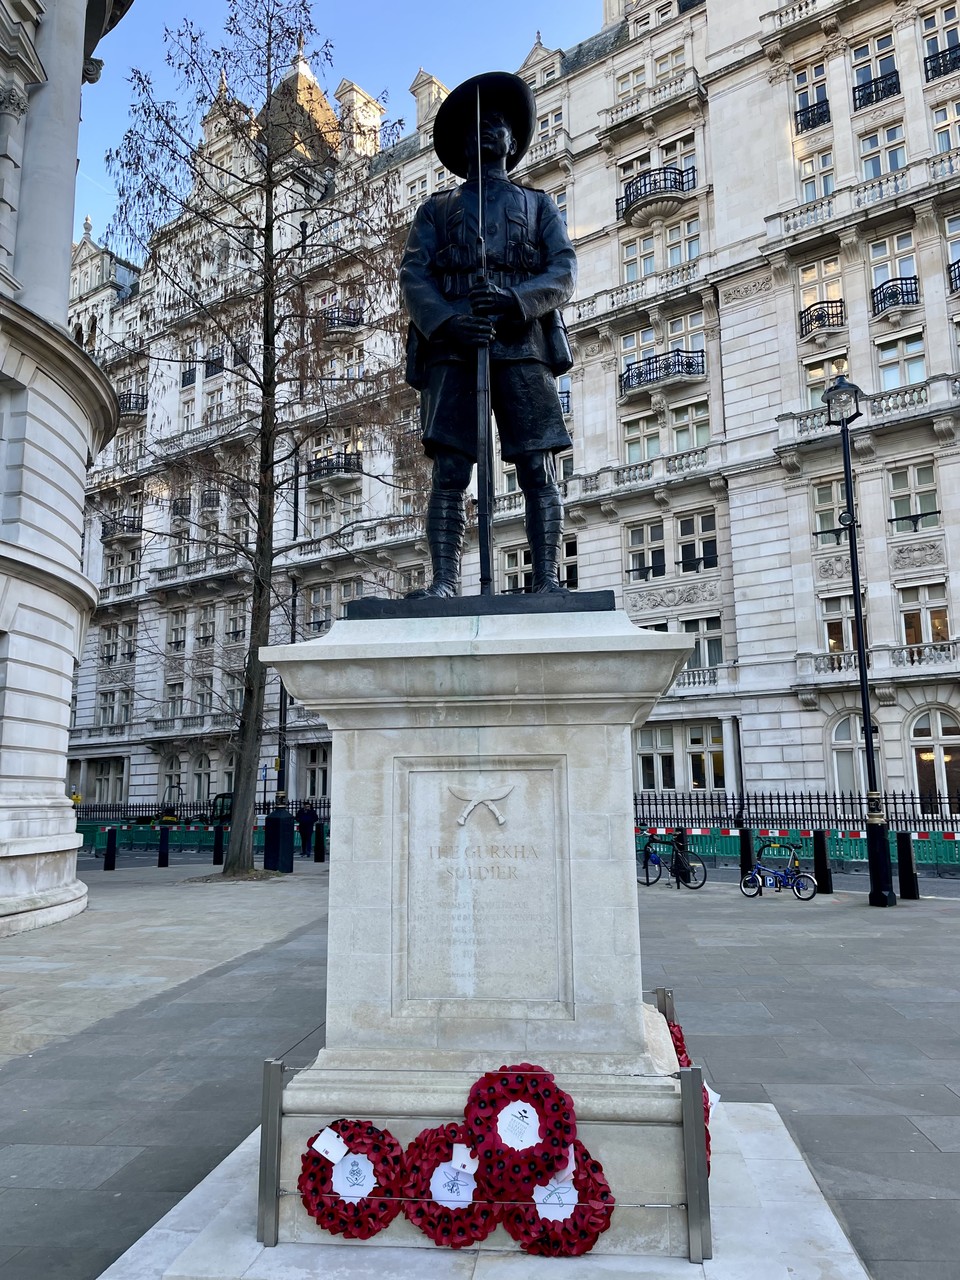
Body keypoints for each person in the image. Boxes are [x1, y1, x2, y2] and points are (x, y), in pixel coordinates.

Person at [400, 71, 577, 597]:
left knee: (536, 464)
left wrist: (515, 302)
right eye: (477, 126)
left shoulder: (540, 205)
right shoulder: (436, 210)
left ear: (514, 141)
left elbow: (563, 271)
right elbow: (415, 275)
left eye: (497, 124)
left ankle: (548, 579)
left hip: (523, 345)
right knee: (450, 470)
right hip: (454, 349)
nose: (486, 131)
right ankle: (445, 582)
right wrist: (450, 321)